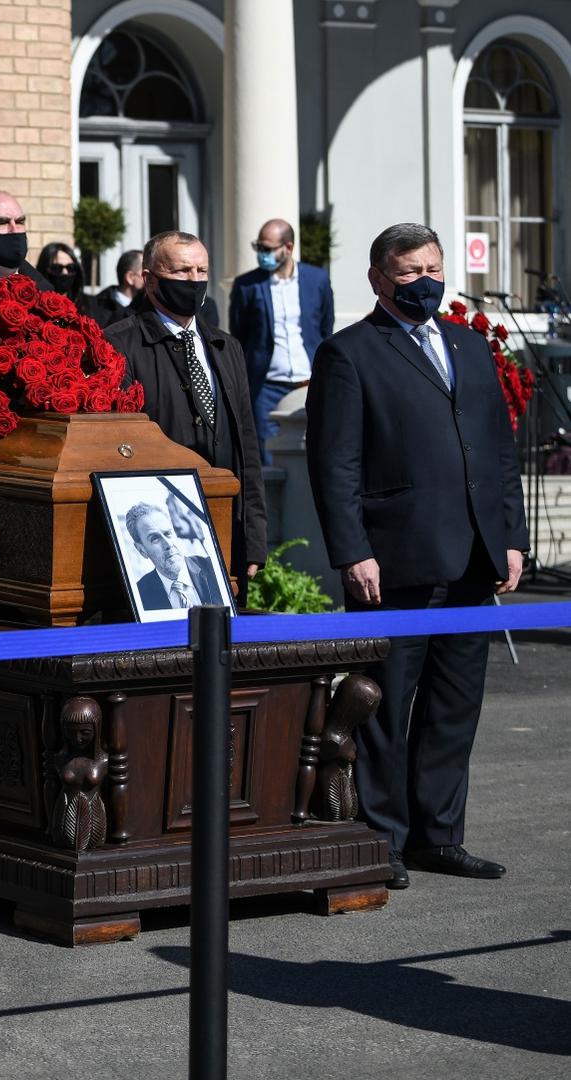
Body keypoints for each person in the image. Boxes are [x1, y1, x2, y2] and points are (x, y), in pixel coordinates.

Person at [305, 222, 526, 891]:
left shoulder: (467, 344)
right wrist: (352, 551)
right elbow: (333, 463)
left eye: (433, 266)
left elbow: (495, 449)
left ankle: (439, 835)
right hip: (393, 560)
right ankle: (383, 838)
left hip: (471, 557)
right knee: (382, 705)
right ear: (377, 278)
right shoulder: (349, 354)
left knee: (453, 708)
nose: (425, 280)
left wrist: (510, 535)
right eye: (409, 271)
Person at [104, 231, 267, 598]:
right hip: (159, 525)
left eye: (201, 270)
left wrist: (253, 536)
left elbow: (247, 445)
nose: (194, 281)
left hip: (222, 521)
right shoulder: (118, 344)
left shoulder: (226, 347)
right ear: (149, 279)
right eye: (181, 272)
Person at [230, 218, 336, 464]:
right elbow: (239, 335)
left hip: (309, 380)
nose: (262, 255)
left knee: (316, 448)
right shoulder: (247, 285)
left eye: (267, 249)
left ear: (288, 248)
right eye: (259, 248)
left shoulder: (317, 279)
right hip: (266, 385)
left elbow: (325, 327)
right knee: (266, 455)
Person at [124, 502, 223, 611]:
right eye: (155, 538)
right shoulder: (138, 595)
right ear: (141, 550)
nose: (168, 544)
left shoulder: (214, 568)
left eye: (168, 533)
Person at [90, 249, 144, 326]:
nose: (149, 278)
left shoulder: (150, 305)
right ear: (130, 277)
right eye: (144, 272)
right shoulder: (96, 308)